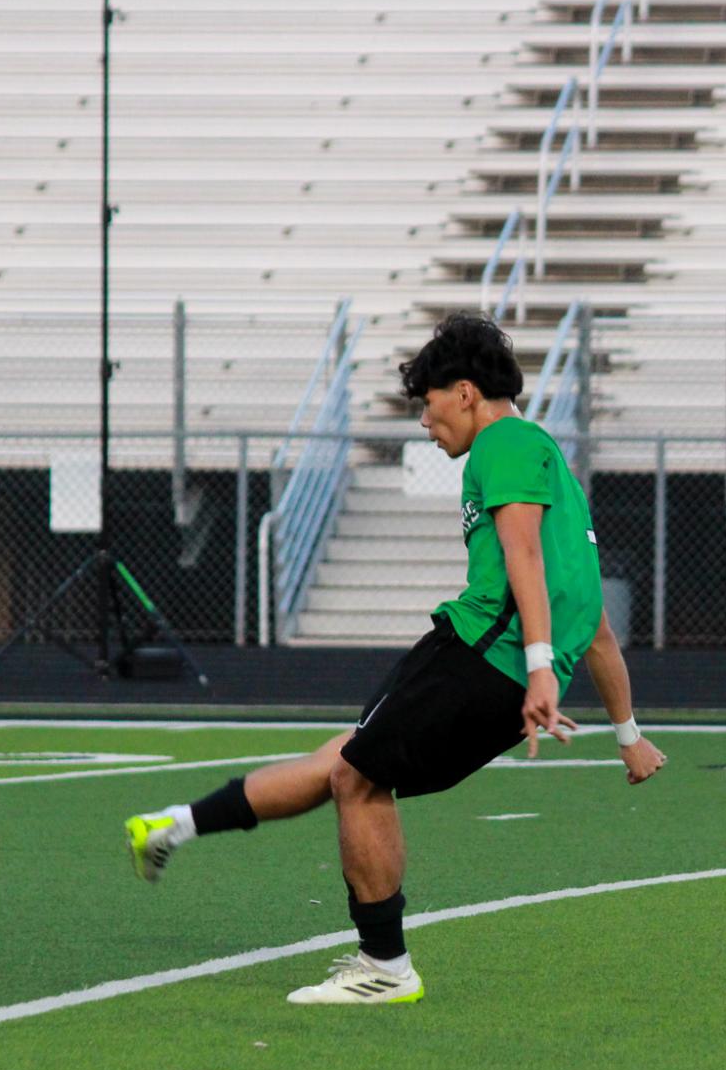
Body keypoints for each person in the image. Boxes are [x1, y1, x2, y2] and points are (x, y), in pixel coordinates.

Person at [123, 314, 666, 1005]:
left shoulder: (504, 442)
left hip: (480, 656)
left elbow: (523, 556)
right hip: (500, 668)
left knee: (356, 778)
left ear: (465, 392)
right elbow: (593, 629)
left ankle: (383, 965)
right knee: (347, 759)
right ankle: (174, 826)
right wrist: (628, 736)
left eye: (428, 403)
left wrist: (534, 668)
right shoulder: (549, 469)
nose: (424, 420)